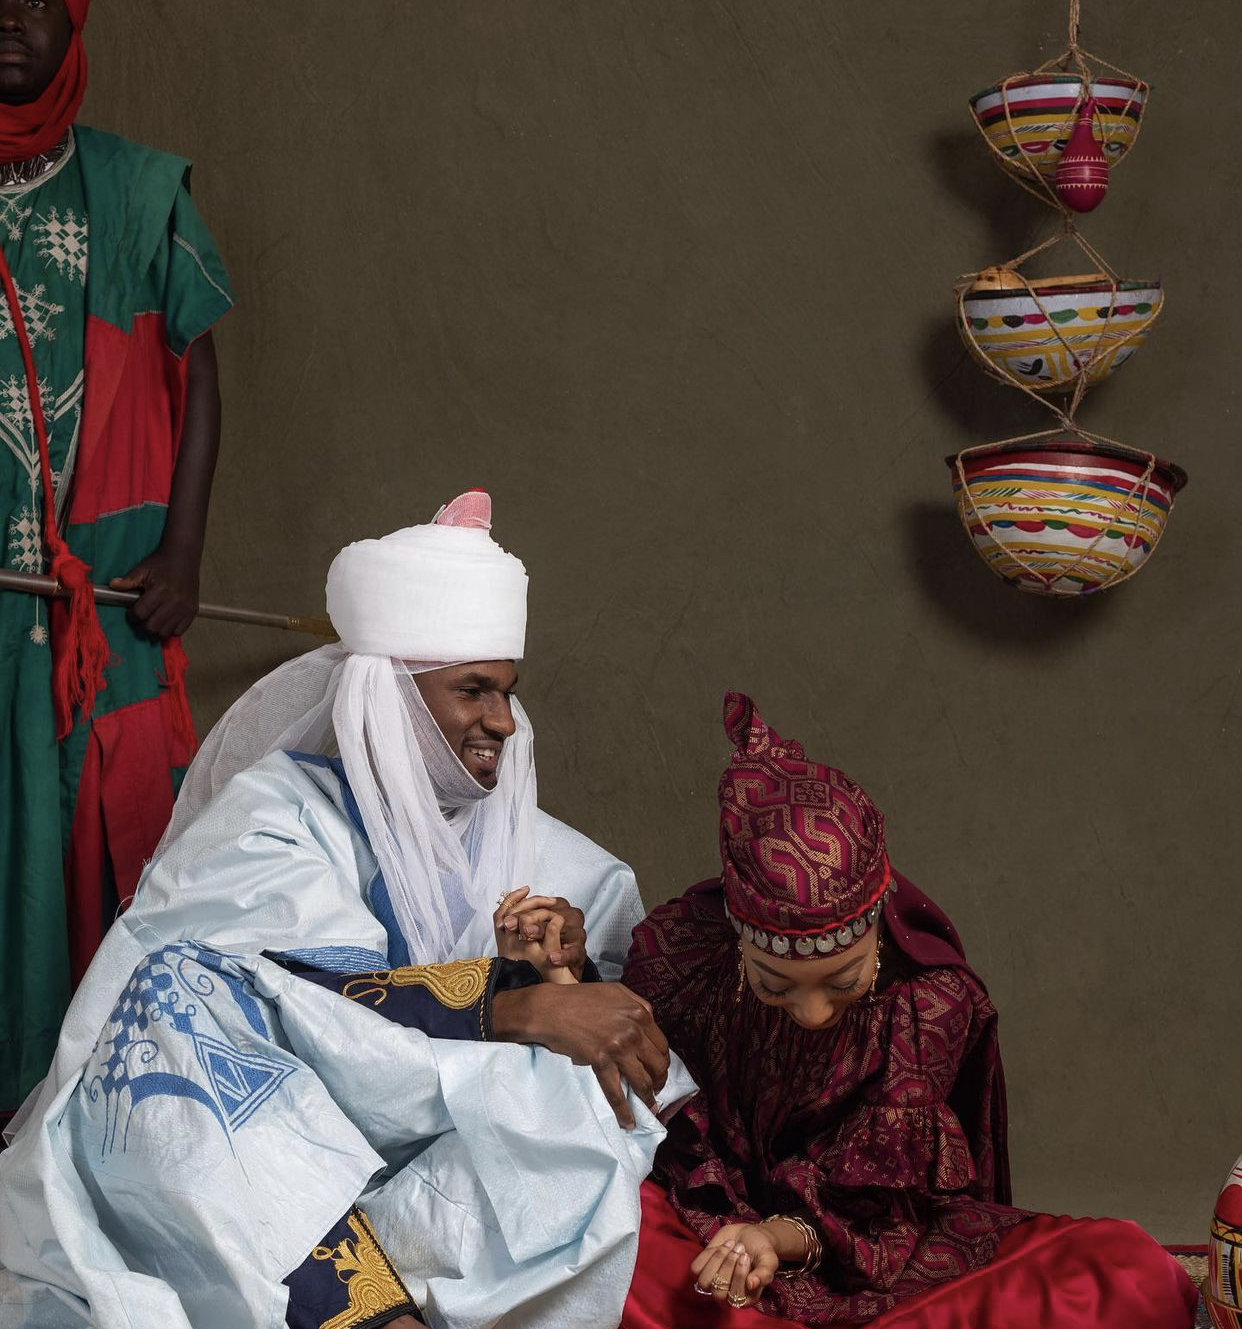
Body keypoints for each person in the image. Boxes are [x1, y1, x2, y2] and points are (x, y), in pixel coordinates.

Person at [0, 491, 685, 1329]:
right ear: (388, 697)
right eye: (474, 690)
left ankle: (373, 1296)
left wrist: (562, 972)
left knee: (579, 1096)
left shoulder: (570, 863)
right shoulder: (276, 814)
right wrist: (521, 1003)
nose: (504, 721)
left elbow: (635, 1074)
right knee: (170, 1002)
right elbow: (261, 1001)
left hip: (425, 1194)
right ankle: (369, 1315)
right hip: (261, 1161)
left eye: (508, 692)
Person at [620, 693, 1199, 1328]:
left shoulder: (927, 1006)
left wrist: (773, 1241)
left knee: (1119, 1269)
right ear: (736, 941)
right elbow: (657, 1114)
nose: (812, 1013)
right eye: (775, 985)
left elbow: (876, 1214)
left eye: (842, 981)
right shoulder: (687, 961)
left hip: (871, 1241)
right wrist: (556, 977)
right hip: (712, 1219)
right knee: (593, 1225)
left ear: (882, 925)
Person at [0, 0, 232, 1126]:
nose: (12, 18)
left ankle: (94, 1132)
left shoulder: (140, 192)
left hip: (109, 615)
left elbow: (198, 376)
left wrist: (181, 546)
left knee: (107, 867)